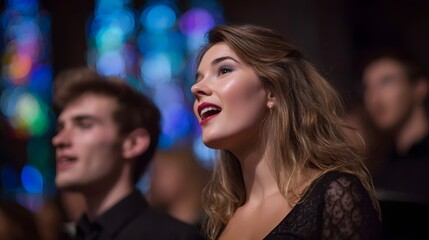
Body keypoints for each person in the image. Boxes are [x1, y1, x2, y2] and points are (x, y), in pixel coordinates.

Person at [191, 24, 381, 240]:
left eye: (224, 70)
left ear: (272, 90)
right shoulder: (216, 222)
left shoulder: (334, 195)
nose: (196, 88)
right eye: (198, 78)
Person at [52, 67, 204, 240]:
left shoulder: (177, 237)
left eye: (84, 125)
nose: (59, 140)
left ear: (133, 143)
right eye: (61, 127)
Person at [362, 52, 429, 239]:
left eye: (386, 82)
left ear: (419, 88)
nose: (374, 97)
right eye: (367, 88)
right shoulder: (379, 166)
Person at [148, 147, 208, 227]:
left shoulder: (208, 228)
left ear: (187, 175)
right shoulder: (156, 225)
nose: (153, 178)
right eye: (154, 172)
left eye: (162, 170)